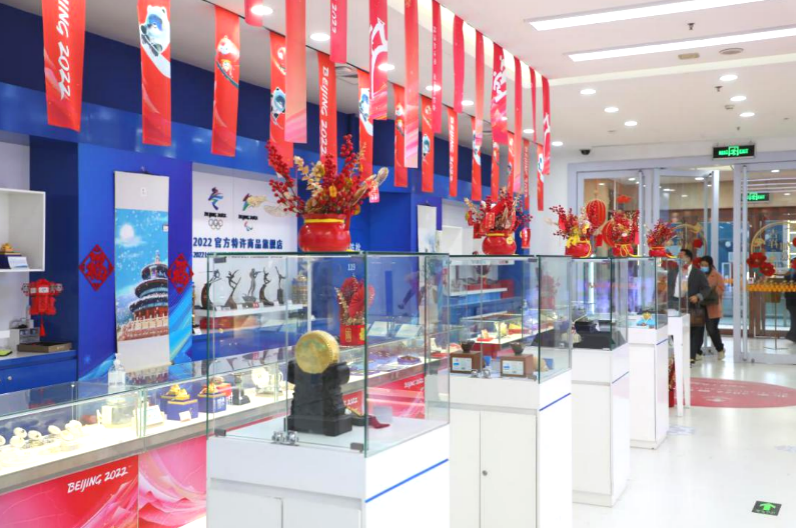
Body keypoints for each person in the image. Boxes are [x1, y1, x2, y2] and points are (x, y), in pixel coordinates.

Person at [678, 249, 712, 365]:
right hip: (677, 307)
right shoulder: (675, 271)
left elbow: (706, 289)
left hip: (693, 307)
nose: (680, 259)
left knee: (694, 333)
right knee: (678, 332)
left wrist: (698, 296)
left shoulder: (698, 273)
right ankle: (681, 356)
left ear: (688, 258)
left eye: (682, 256)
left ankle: (690, 357)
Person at [700, 256, 726, 360]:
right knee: (698, 329)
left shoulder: (717, 275)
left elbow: (721, 288)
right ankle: (697, 351)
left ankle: (720, 349)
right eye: (702, 265)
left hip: (713, 306)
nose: (703, 267)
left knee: (712, 329)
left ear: (710, 265)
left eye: (705, 265)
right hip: (700, 305)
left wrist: (711, 291)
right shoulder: (699, 274)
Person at [785, 259, 796, 343]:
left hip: (793, 298)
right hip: (790, 299)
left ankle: (792, 335)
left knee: (794, 318)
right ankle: (792, 335)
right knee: (793, 317)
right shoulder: (789, 272)